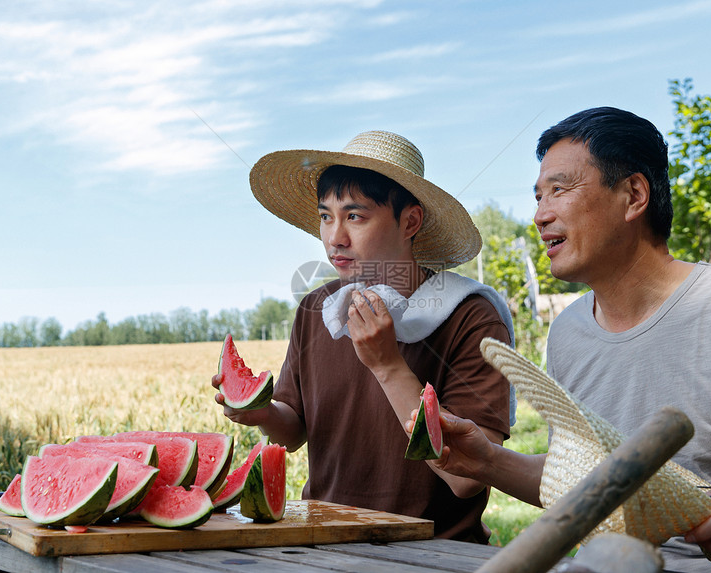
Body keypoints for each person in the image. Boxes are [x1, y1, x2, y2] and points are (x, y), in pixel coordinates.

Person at [409, 108, 711, 571]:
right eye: (537, 196)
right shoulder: (568, 333)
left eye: (559, 189)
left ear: (633, 195)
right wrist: (486, 460)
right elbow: (587, 486)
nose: (539, 215)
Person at [212, 130, 515, 542]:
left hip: (434, 552)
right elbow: (294, 429)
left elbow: (467, 480)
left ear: (410, 221)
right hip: (323, 542)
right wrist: (260, 412)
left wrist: (388, 365)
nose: (334, 237)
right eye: (325, 216)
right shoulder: (316, 310)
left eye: (355, 216)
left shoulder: (471, 317)